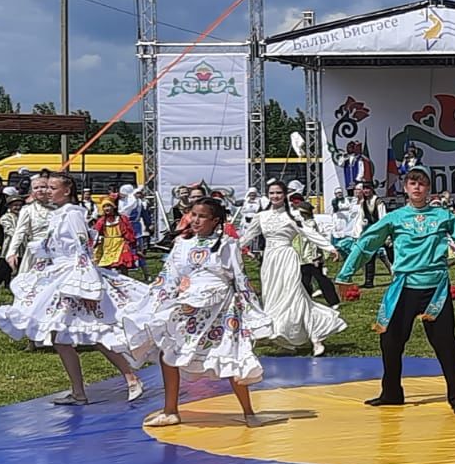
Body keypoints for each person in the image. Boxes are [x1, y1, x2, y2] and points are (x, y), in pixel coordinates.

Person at [336, 165, 455, 413]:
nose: (417, 187)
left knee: (446, 344)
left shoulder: (443, 217)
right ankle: (392, 393)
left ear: (428, 188)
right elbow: (366, 244)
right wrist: (345, 274)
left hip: (435, 289)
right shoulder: (395, 218)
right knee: (390, 342)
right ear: (406, 188)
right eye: (412, 183)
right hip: (404, 287)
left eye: (422, 183)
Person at [0, 173, 150, 406]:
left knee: (93, 331)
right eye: (46, 187)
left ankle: (130, 377)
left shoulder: (73, 214)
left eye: (53, 187)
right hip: (59, 276)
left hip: (75, 278)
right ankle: (78, 391)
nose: (48, 191)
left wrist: (86, 287)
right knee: (61, 336)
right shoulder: (59, 214)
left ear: (66, 191)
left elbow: (83, 250)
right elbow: (53, 248)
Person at [133, 197, 272, 428]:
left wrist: (249, 310)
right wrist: (161, 297)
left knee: (229, 355)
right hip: (188, 305)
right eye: (193, 215)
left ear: (215, 220)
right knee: (169, 350)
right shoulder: (182, 243)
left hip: (219, 307)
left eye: (202, 216)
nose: (195, 220)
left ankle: (248, 412)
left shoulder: (227, 243)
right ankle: (170, 411)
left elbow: (238, 277)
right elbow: (170, 275)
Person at [242, 180, 345, 356]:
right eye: (272, 193)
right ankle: (285, 339)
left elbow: (309, 232)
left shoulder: (293, 216)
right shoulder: (262, 217)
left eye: (278, 193)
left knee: (295, 297)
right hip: (269, 261)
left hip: (287, 257)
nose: (275, 196)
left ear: (285, 195)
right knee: (274, 300)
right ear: (267, 195)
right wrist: (228, 248)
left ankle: (316, 337)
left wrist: (329, 248)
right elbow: (247, 237)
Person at [294, 203, 341, 308]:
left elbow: (313, 242)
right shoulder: (302, 223)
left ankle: (333, 301)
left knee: (321, 279)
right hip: (302, 258)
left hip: (313, 258)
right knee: (304, 281)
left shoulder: (311, 224)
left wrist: (316, 257)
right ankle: (306, 302)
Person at [352, 181, 389, 287]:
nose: (366, 191)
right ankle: (369, 282)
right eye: (364, 189)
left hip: (381, 231)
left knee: (390, 256)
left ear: (372, 189)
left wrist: (384, 233)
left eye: (368, 189)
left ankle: (397, 278)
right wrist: (359, 233)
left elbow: (383, 217)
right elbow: (361, 218)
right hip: (370, 232)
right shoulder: (363, 203)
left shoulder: (378, 202)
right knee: (369, 256)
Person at [92, 199, 139, 272]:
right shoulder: (101, 221)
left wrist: (130, 242)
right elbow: (95, 232)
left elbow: (128, 231)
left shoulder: (121, 219)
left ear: (113, 207)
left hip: (120, 244)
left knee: (122, 264)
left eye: (108, 206)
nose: (106, 208)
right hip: (107, 245)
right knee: (107, 266)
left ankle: (125, 281)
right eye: (104, 206)